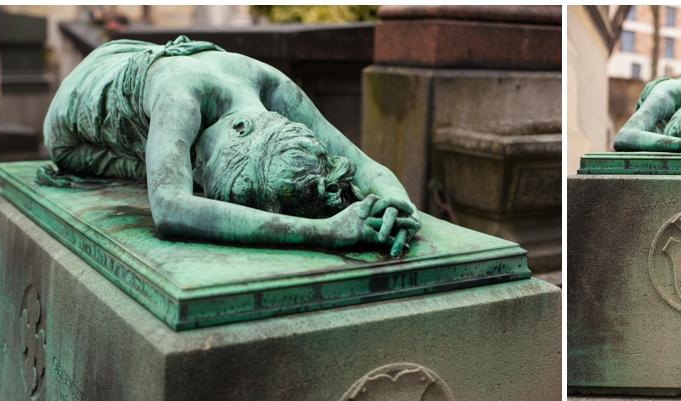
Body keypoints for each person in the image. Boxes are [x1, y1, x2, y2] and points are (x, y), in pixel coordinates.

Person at [38, 36, 420, 256]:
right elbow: (170, 209)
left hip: (142, 68)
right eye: (207, 164)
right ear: (239, 127)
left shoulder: (272, 88)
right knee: (179, 182)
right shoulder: (180, 98)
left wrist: (397, 201)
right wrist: (326, 231)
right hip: (73, 131)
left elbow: (363, 163)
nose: (198, 169)